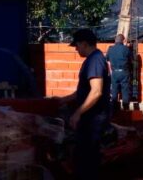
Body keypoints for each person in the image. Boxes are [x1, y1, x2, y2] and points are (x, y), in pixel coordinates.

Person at [58, 28, 111, 180]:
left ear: (84, 43)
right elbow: (83, 92)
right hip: (91, 118)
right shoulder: (93, 59)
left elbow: (96, 92)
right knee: (83, 157)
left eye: (77, 45)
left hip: (93, 119)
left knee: (87, 159)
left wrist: (77, 113)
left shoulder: (95, 60)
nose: (76, 48)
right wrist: (63, 100)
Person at [106, 34, 132, 111]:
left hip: (114, 72)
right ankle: (126, 109)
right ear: (123, 41)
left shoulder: (110, 49)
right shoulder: (126, 49)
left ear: (115, 40)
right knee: (125, 90)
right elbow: (131, 59)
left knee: (114, 91)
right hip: (124, 72)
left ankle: (114, 109)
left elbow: (107, 59)